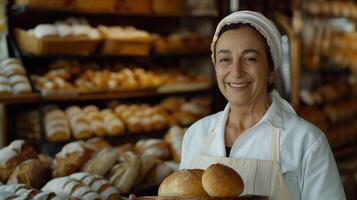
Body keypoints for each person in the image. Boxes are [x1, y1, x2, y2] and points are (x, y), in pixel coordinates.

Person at [130, 11, 346, 200]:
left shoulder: (306, 141)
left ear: (270, 71)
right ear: (216, 67)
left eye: (250, 59)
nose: (236, 72)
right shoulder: (197, 134)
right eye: (225, 59)